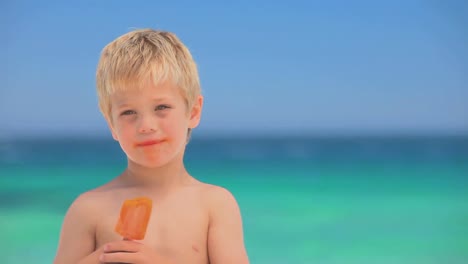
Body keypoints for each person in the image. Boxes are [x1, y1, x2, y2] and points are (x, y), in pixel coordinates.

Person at [53, 29, 249, 264]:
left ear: (193, 112)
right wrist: (99, 259)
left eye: (161, 108)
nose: (146, 126)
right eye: (128, 112)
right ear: (111, 124)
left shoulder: (214, 205)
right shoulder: (87, 210)